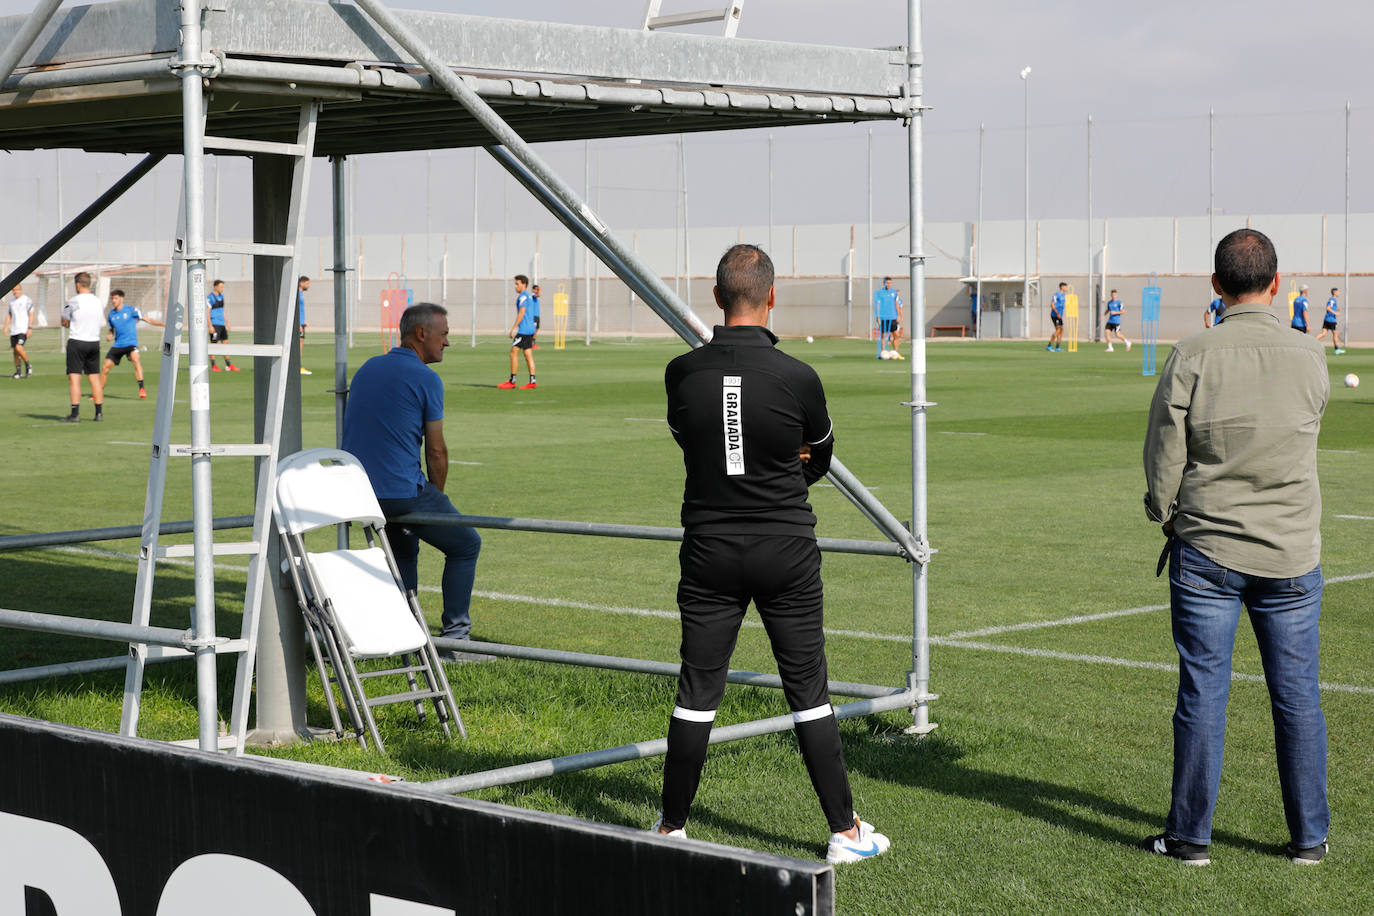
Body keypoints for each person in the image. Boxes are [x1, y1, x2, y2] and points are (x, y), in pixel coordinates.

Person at [654, 244, 890, 865]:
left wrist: (737, 467)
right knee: (808, 689)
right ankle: (845, 832)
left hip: (709, 547)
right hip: (784, 545)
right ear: (771, 297)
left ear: (715, 297)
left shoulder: (683, 373)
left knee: (697, 690)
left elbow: (694, 445)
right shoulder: (797, 376)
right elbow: (821, 455)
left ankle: (671, 830)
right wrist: (783, 475)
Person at [1141, 228, 1329, 867]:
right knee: (1298, 694)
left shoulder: (1191, 353)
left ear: (1216, 285)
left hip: (1209, 547)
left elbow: (1164, 454)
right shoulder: (1311, 354)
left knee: (1202, 691)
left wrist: (1165, 515)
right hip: (1292, 552)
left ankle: (1191, 838)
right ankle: (1310, 839)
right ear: (1276, 284)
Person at [341, 302, 486, 658]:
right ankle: (456, 642)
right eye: (444, 334)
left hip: (361, 494)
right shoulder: (426, 378)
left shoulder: (368, 368)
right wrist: (435, 497)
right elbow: (436, 452)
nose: (447, 343)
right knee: (466, 544)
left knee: (404, 548)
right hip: (401, 493)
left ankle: (404, 639)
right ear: (421, 334)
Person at [99, 289, 164, 398]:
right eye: (112, 299)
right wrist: (110, 334)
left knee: (135, 359)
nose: (113, 301)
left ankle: (142, 389)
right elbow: (112, 329)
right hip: (118, 345)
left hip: (130, 344)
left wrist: (162, 324)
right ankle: (98, 392)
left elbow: (147, 319)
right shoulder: (111, 315)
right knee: (105, 367)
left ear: (122, 299)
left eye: (116, 298)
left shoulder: (131, 310)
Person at [60, 272, 105, 422]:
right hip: (94, 342)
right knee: (95, 378)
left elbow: (64, 321)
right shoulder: (98, 301)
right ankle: (98, 413)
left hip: (77, 341)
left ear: (78, 284)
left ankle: (75, 414)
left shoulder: (73, 301)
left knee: (74, 379)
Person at [497, 274, 537, 390]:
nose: (515, 286)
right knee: (528, 354)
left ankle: (512, 381)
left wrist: (514, 327)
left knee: (513, 353)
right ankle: (532, 380)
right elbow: (536, 296)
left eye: (517, 284)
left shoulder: (523, 297)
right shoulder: (530, 296)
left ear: (523, 284)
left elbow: (522, 312)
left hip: (523, 330)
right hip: (530, 329)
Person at [207, 279, 239, 372]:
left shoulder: (221, 296)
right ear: (215, 286)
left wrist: (227, 323)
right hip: (215, 325)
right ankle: (213, 366)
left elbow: (223, 310)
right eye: (221, 286)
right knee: (214, 344)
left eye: (223, 287)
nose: (222, 288)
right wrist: (210, 325)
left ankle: (229, 365)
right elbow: (207, 312)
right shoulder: (210, 297)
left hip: (222, 325)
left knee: (225, 344)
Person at [5, 283, 34, 379]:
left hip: (23, 329)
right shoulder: (12, 302)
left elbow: (31, 313)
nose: (15, 292)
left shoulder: (26, 300)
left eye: (16, 289)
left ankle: (28, 365)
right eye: (13, 290)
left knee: (19, 347)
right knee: (15, 352)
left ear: (20, 290)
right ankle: (18, 372)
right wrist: (6, 326)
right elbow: (9, 315)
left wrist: (30, 327)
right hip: (14, 330)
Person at [872, 277, 902, 357]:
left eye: (890, 283)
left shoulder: (894, 293)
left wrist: (899, 315)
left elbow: (897, 304)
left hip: (893, 317)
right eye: (887, 283)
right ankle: (883, 353)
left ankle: (896, 352)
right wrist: (877, 316)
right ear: (884, 283)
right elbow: (877, 305)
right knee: (883, 335)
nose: (888, 284)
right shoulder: (880, 293)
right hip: (883, 317)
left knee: (896, 335)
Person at [1315, 288, 1345, 354]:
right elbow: (1328, 308)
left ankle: (1313, 341)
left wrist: (1336, 309)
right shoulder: (1332, 299)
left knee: (1324, 334)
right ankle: (1336, 349)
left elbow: (1330, 307)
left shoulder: (1333, 300)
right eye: (1338, 292)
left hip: (1327, 319)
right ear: (1334, 292)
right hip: (1331, 320)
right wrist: (1335, 313)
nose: (1339, 293)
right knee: (1335, 333)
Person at [297, 276, 312, 375]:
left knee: (299, 344)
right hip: (299, 325)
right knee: (299, 345)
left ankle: (297, 366)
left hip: (301, 323)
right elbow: (295, 310)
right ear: (301, 283)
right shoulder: (297, 294)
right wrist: (298, 323)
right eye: (307, 283)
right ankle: (298, 367)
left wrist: (303, 321)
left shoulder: (300, 294)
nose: (308, 286)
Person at [1047, 282, 1066, 351]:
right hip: (1055, 315)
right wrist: (1057, 313)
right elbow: (1052, 305)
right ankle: (1049, 345)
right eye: (1065, 287)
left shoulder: (1064, 295)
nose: (1066, 288)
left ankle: (1058, 347)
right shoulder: (1056, 295)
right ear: (1062, 287)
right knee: (1058, 330)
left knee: (1061, 330)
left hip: (1059, 316)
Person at [529, 283, 542, 349]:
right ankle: (532, 344)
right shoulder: (532, 295)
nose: (537, 290)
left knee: (536, 329)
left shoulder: (534, 295)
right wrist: (539, 290)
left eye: (537, 289)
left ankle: (532, 343)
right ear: (533, 290)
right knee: (533, 330)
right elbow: (538, 295)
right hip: (533, 316)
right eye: (536, 289)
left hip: (536, 316)